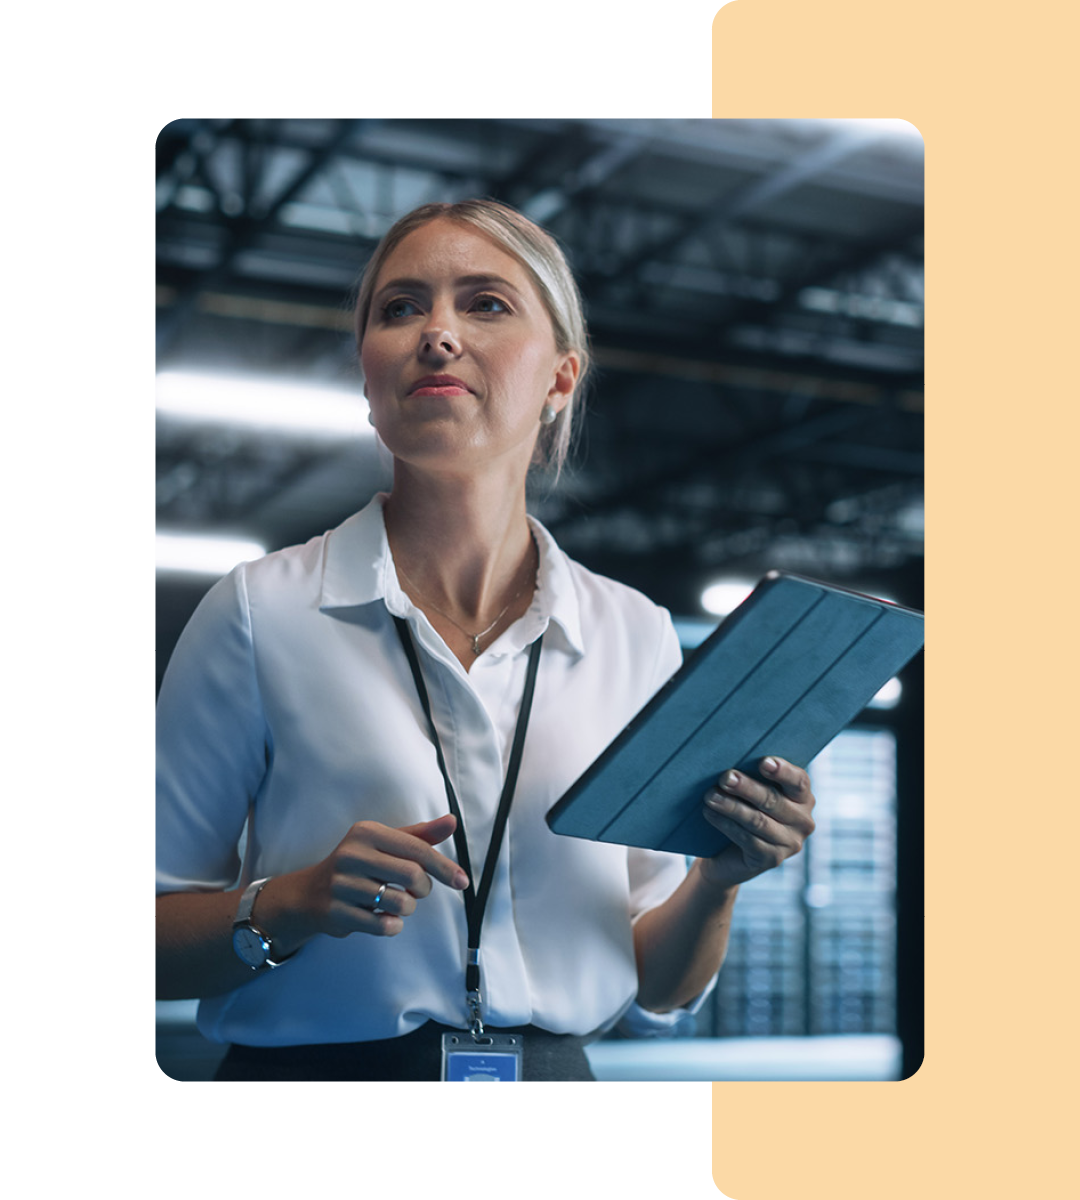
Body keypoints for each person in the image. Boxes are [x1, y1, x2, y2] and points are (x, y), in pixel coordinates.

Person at [155, 198, 817, 1082]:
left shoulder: (632, 633)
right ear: (366, 375)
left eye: (486, 303)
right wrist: (294, 902)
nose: (437, 333)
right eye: (400, 308)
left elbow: (660, 982)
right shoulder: (258, 612)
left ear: (559, 380)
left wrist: (719, 878)